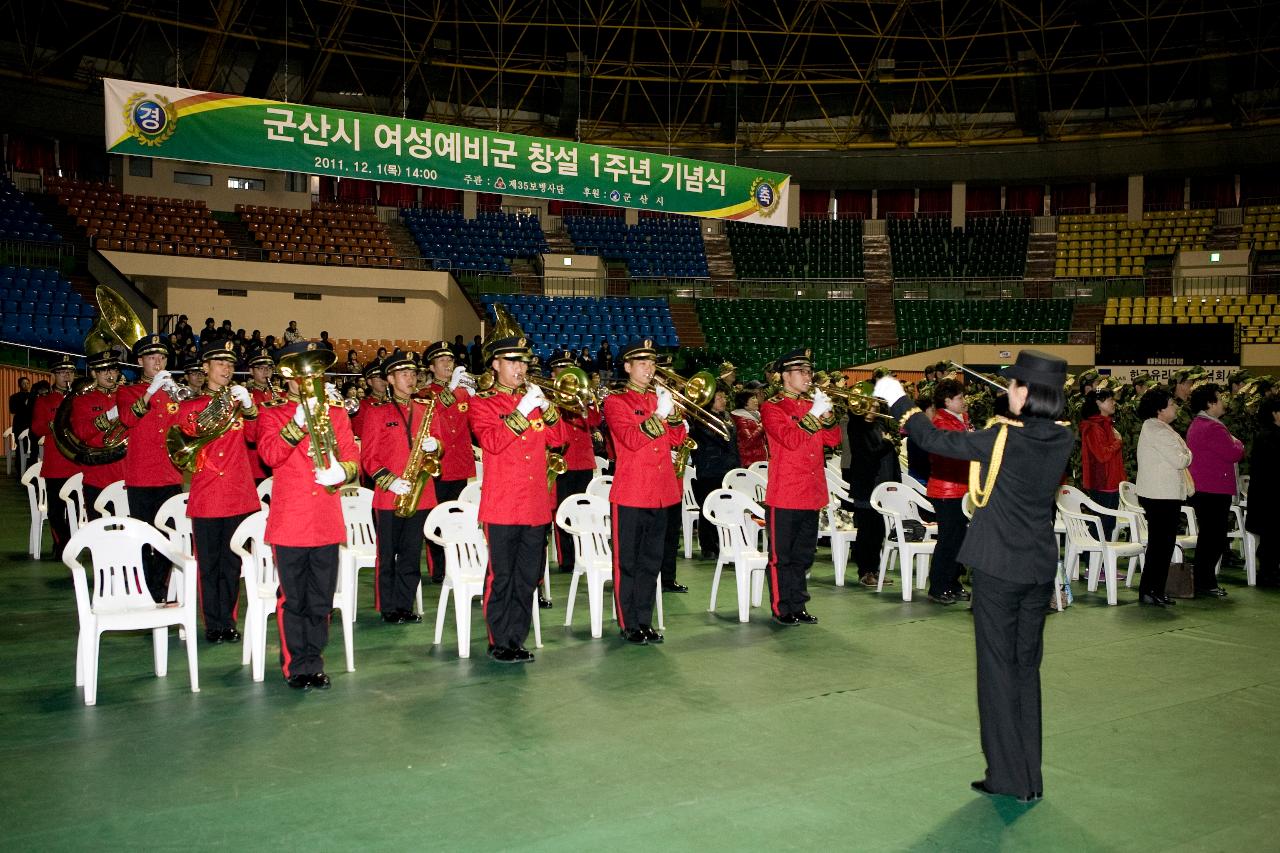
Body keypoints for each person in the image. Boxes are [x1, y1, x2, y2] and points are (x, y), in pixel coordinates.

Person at [873, 349, 1073, 804]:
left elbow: (936, 442)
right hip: (1037, 566)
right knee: (1025, 672)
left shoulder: (1004, 438)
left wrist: (901, 403)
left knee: (997, 672)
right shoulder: (1061, 436)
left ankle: (1008, 777)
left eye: (1014, 385)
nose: (1009, 391)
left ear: (1029, 391)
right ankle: (1029, 775)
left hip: (998, 568)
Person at [257, 340, 360, 689]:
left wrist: (342, 472)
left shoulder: (336, 412)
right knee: (294, 598)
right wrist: (296, 425)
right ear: (288, 376)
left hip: (326, 519)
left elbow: (352, 457)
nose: (308, 378)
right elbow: (269, 455)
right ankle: (295, 666)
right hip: (290, 521)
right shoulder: (273, 412)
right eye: (302, 372)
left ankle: (313, 660)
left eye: (315, 371)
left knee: (320, 598)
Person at [468, 334, 567, 662]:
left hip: (535, 504)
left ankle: (517, 638)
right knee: (502, 577)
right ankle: (499, 640)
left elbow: (560, 437)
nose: (520, 368)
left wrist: (547, 408)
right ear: (495, 364)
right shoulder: (482, 403)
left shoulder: (533, 399)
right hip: (503, 505)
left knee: (527, 578)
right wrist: (523, 412)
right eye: (512, 361)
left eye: (523, 361)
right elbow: (493, 442)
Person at [173, 339, 261, 642]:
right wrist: (220, 406)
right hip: (209, 493)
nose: (227, 369)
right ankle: (213, 623)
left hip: (237, 494)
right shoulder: (190, 406)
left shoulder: (240, 404)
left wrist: (249, 407)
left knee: (232, 562)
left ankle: (229, 622)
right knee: (209, 564)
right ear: (206, 367)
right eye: (220, 364)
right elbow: (188, 431)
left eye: (231, 364)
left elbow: (256, 437)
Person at [602, 339, 687, 644]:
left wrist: (674, 413)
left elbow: (677, 439)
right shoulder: (616, 402)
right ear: (627, 367)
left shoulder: (659, 398)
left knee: (652, 562)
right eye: (642, 364)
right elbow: (630, 439)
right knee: (629, 563)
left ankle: (645, 620)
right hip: (632, 493)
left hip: (662, 491)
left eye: (652, 364)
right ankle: (629, 623)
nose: (649, 369)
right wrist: (661, 415)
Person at [759, 348, 840, 625]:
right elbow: (789, 440)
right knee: (782, 556)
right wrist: (813, 414)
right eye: (801, 372)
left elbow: (833, 439)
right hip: (785, 492)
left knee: (804, 555)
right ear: (784, 376)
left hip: (811, 490)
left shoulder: (810, 405)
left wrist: (827, 413)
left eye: (808, 371)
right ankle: (783, 607)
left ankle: (799, 603)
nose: (808, 376)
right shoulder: (772, 407)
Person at [360, 350, 439, 624]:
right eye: (404, 374)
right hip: (389, 496)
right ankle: (388, 607)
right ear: (391, 379)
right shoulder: (376, 412)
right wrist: (390, 481)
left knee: (410, 553)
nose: (410, 378)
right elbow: (368, 458)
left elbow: (438, 446)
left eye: (413, 373)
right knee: (387, 555)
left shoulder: (425, 408)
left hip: (420, 495)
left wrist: (435, 446)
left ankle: (405, 605)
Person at [114, 334, 183, 602]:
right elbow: (128, 419)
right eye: (152, 357)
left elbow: (184, 426)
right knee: (143, 537)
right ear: (140, 360)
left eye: (162, 357)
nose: (158, 361)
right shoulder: (127, 392)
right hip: (141, 477)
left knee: (167, 536)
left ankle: (159, 587)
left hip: (169, 474)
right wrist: (150, 391)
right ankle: (146, 590)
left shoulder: (173, 392)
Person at [417, 341, 476, 582]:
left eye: (450, 360)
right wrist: (450, 391)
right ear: (431, 367)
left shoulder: (463, 392)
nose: (448, 364)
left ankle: (459, 564)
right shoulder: (424, 393)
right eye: (442, 361)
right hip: (437, 464)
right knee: (437, 519)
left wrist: (476, 396)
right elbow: (430, 416)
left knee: (458, 517)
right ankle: (439, 569)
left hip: (459, 463)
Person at [1186, 383, 1244, 598]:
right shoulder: (1213, 427)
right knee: (1214, 539)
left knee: (1209, 537)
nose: (1223, 402)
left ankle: (1204, 580)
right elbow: (1233, 453)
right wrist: (1238, 443)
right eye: (1220, 398)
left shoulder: (1198, 424)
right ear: (1211, 403)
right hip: (1214, 490)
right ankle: (1205, 581)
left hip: (1204, 489)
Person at [1134, 388, 1191, 606]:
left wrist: (1185, 453)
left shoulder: (1159, 428)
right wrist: (1187, 453)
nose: (1175, 407)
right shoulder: (1157, 430)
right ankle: (1150, 590)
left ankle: (1155, 589)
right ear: (1160, 409)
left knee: (1163, 545)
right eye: (1171, 404)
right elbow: (1181, 459)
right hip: (1160, 496)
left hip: (1163, 495)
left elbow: (1183, 454)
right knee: (1161, 545)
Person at [547, 350, 601, 576]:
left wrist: (586, 403)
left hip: (584, 460)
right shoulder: (548, 399)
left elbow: (596, 421)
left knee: (583, 512)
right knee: (562, 512)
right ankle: (566, 559)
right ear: (554, 374)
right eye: (562, 369)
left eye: (570, 368)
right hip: (563, 461)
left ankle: (584, 554)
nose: (567, 374)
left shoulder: (582, 396)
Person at [925, 378, 972, 605]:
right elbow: (953, 454)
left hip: (960, 488)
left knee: (960, 539)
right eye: (960, 398)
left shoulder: (959, 420)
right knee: (948, 540)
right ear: (947, 401)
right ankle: (938, 586)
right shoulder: (942, 423)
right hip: (946, 490)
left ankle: (953, 582)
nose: (964, 401)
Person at [845, 405, 901, 587]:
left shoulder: (879, 425)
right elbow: (869, 455)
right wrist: (887, 443)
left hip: (883, 486)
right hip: (867, 486)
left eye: (875, 404)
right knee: (866, 532)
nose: (873, 407)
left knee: (878, 532)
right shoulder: (856, 426)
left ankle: (876, 570)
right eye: (869, 405)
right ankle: (865, 572)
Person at [68, 350, 127, 519]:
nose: (110, 375)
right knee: (100, 531)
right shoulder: (83, 400)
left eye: (113, 369)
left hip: (126, 474)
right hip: (97, 476)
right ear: (94, 372)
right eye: (104, 370)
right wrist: (107, 418)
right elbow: (81, 433)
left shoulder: (127, 395)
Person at [30, 357, 79, 561]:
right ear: (53, 375)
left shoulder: (80, 398)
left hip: (77, 465)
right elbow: (36, 429)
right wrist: (53, 424)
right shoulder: (44, 401)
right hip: (56, 466)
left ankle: (76, 543)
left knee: (77, 510)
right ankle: (62, 543)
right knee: (56, 512)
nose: (66, 375)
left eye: (69, 372)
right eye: (61, 372)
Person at [689, 387, 739, 561]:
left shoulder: (727, 417)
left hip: (728, 468)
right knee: (709, 508)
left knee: (726, 509)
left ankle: (724, 543)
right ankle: (708, 546)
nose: (723, 400)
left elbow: (733, 443)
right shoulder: (701, 418)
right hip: (709, 469)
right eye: (719, 397)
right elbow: (717, 437)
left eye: (724, 397)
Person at [1078, 389, 1126, 541]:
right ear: (1098, 402)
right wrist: (1118, 442)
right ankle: (1091, 557)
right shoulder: (1093, 426)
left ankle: (1102, 560)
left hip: (1112, 481)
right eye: (1110, 400)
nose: (1114, 403)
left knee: (1109, 523)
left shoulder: (1106, 424)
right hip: (1102, 482)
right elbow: (1102, 455)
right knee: (1101, 522)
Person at [1246, 397, 1280, 587]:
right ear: (1275, 413)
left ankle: (1271, 572)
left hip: (1269, 495)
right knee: (1271, 539)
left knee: (1273, 538)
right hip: (1269, 497)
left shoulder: (1270, 434)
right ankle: (1268, 574)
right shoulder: (1268, 436)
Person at [244, 352, 281, 484]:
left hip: (278, 453)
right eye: (261, 368)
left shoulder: (280, 394)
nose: (266, 371)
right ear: (251, 371)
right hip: (255, 459)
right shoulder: (246, 396)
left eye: (269, 368)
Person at [731, 390, 767, 467]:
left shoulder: (756, 416)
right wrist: (762, 426)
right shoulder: (741, 420)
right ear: (744, 402)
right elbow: (748, 441)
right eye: (753, 398)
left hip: (757, 460)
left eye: (756, 398)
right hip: (749, 463)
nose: (756, 400)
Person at [9, 376, 34, 447]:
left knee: (32, 447)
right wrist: (24, 405)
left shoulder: (33, 397)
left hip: (31, 424)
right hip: (19, 425)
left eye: (27, 383)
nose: (26, 385)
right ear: (19, 385)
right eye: (24, 383)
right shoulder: (14, 397)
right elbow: (12, 410)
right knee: (20, 446)